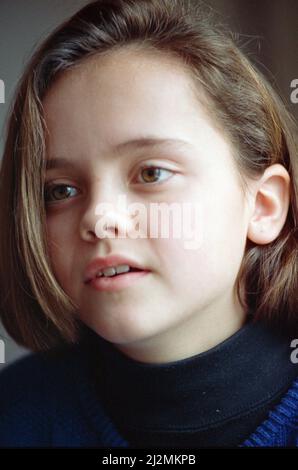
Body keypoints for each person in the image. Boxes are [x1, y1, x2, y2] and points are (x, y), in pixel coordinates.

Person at [0, 0, 297, 448]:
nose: (100, 219)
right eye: (60, 190)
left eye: (151, 173)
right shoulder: (14, 413)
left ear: (263, 205)